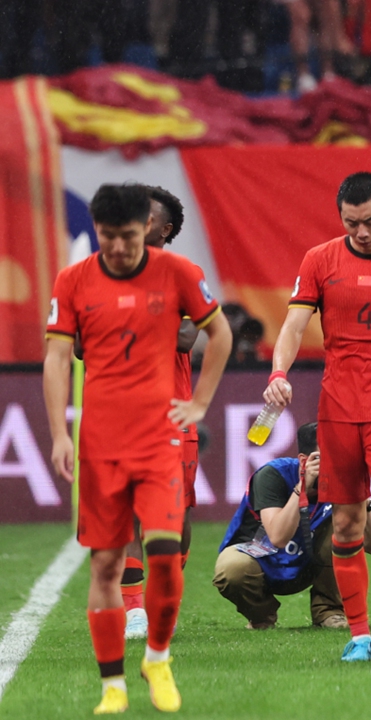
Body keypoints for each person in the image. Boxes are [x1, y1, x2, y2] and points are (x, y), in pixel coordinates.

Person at [44, 184, 232, 713]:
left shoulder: (177, 273)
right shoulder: (73, 279)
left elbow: (218, 335)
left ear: (148, 231)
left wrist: (198, 404)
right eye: (109, 237)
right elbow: (59, 358)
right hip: (101, 442)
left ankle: (156, 656)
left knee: (166, 555)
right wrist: (59, 432)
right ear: (98, 230)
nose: (120, 247)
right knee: (104, 564)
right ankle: (113, 687)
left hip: (158, 439)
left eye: (129, 236)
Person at [264, 172, 371, 663]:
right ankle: (358, 636)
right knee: (344, 522)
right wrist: (279, 371)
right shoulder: (320, 260)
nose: (361, 232)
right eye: (351, 223)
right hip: (339, 408)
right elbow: (294, 325)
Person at [113, 185, 198, 641]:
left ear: (164, 229)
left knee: (177, 520)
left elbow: (188, 338)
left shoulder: (184, 274)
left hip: (174, 414)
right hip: (124, 413)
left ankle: (166, 589)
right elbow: (85, 345)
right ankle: (133, 609)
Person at [214, 422, 371, 629]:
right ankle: (261, 616)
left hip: (311, 562)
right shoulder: (272, 475)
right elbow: (278, 537)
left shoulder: (343, 481)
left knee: (342, 523)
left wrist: (363, 495)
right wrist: (302, 487)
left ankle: (329, 611)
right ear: (305, 460)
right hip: (262, 560)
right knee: (231, 569)